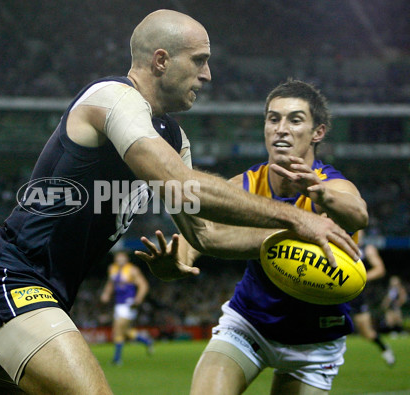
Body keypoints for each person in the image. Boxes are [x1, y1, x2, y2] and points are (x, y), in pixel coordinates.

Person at [0, 10, 358, 395]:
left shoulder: (175, 139)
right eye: (199, 61)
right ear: (162, 60)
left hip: (47, 294)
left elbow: (207, 234)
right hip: (11, 280)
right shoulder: (113, 98)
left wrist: (287, 238)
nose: (208, 75)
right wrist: (297, 218)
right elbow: (178, 182)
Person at [137, 80, 368, 395]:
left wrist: (323, 195)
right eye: (273, 119)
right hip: (249, 324)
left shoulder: (333, 186)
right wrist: (177, 261)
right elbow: (199, 234)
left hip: (314, 343)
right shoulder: (243, 185)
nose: (281, 129)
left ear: (318, 132)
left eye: (295, 120)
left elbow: (358, 213)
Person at [349, 231, 395, 365]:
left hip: (357, 295)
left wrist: (361, 278)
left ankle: (385, 348)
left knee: (366, 332)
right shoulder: (339, 244)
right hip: (337, 292)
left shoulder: (367, 249)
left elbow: (380, 269)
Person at [100, 251, 153, 365]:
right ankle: (146, 341)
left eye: (122, 258)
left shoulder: (132, 270)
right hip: (118, 304)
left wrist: (138, 299)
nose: (120, 260)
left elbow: (143, 285)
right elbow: (110, 283)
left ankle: (117, 359)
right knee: (124, 331)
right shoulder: (112, 269)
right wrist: (106, 294)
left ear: (126, 259)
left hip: (129, 304)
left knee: (118, 330)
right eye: (118, 258)